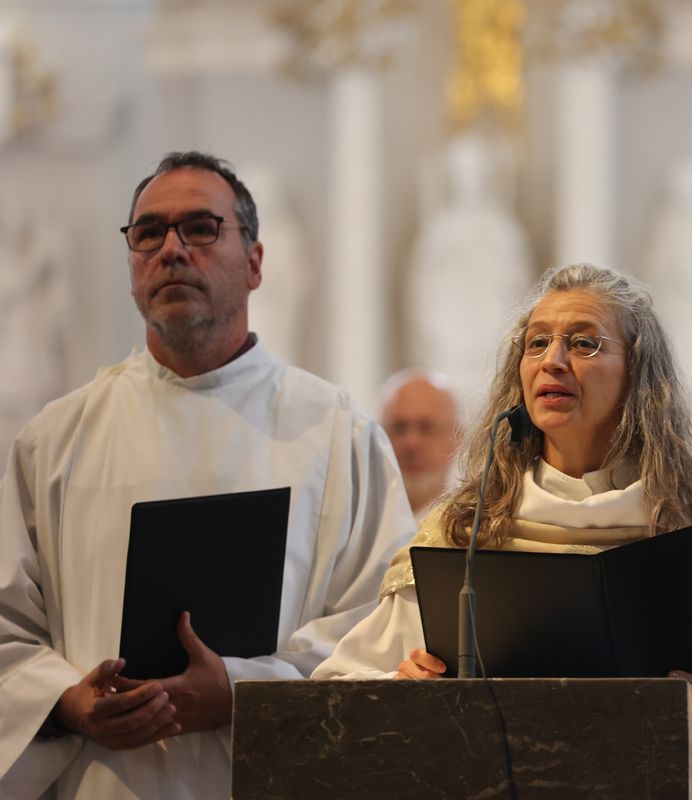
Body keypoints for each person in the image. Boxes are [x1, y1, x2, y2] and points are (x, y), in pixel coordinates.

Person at [0, 151, 413, 799]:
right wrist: (65, 701)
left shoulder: (337, 433)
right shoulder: (54, 440)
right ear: (132, 264)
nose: (171, 250)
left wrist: (244, 692)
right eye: (148, 234)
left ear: (254, 262)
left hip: (273, 776)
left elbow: (387, 626)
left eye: (199, 228)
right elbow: (7, 627)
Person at [315, 263, 692, 797]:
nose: (552, 361)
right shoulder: (465, 529)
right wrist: (400, 689)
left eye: (583, 343)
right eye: (537, 344)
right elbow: (335, 698)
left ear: (638, 375)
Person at [376, 368, 460, 521]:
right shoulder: (355, 525)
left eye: (427, 428)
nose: (411, 443)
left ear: (458, 437)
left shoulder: (476, 529)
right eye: (398, 427)